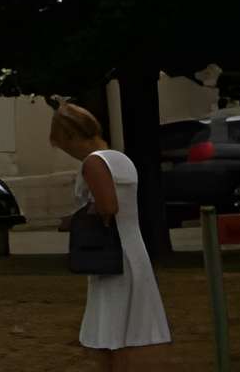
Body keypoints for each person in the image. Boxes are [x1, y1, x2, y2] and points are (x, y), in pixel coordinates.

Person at [53, 101, 171, 359]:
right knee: (131, 323)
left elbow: (108, 206)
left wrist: (74, 220)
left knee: (114, 324)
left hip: (111, 252)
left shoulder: (93, 163)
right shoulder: (121, 159)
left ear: (72, 137)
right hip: (132, 247)